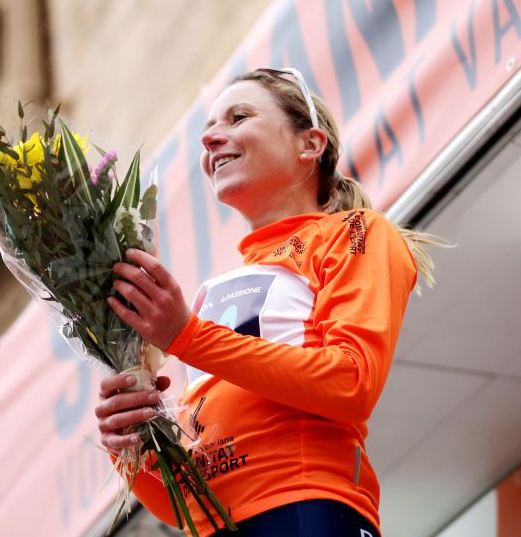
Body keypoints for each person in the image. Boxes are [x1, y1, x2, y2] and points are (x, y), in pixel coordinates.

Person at [95, 68, 441, 536]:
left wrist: (186, 335)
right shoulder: (213, 290)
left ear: (310, 145)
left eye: (238, 117)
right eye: (208, 131)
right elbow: (189, 506)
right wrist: (133, 447)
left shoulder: (356, 232)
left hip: (308, 508)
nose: (212, 139)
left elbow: (351, 382)